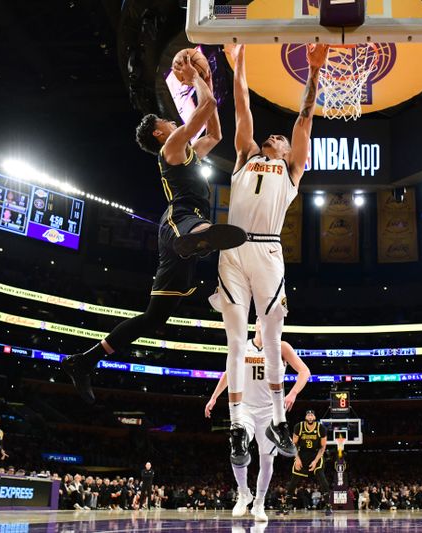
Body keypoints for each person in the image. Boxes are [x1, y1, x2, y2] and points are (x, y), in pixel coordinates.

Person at [62, 51, 247, 404]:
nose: (170, 120)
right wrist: (195, 78)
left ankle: (86, 360)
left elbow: (216, 132)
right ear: (160, 132)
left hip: (181, 229)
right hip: (180, 219)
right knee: (198, 227)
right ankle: (200, 239)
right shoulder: (172, 148)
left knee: (154, 317)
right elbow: (205, 110)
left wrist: (204, 80)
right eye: (165, 120)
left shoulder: (188, 149)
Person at [212, 42, 328, 463]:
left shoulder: (292, 170)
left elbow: (304, 117)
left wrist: (314, 71)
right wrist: (237, 58)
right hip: (231, 247)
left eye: (281, 138)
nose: (275, 136)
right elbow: (241, 101)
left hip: (266, 250)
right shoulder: (244, 154)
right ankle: (237, 427)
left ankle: (278, 421)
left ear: (290, 153)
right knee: (236, 342)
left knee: (272, 337)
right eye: (273, 135)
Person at [204, 319, 310, 522]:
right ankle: (243, 493)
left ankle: (259, 502)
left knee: (267, 459)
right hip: (245, 407)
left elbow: (305, 372)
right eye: (261, 319)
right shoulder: (243, 346)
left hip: (270, 411)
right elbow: (229, 373)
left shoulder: (282, 347)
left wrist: (294, 393)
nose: (265, 322)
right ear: (256, 324)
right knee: (237, 445)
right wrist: (214, 396)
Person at [283, 410, 331, 515]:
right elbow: (294, 445)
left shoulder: (321, 428)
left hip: (315, 455)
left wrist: (315, 461)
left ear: (314, 417)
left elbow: (323, 447)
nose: (310, 416)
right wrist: (297, 459)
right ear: (306, 417)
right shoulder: (299, 427)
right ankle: (287, 505)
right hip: (302, 455)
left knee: (323, 480)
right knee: (293, 482)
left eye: (312, 415)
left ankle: (328, 505)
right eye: (308, 415)